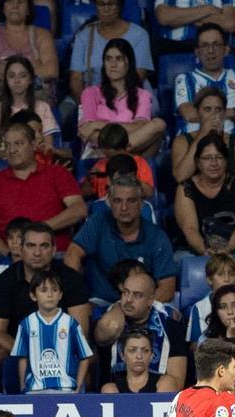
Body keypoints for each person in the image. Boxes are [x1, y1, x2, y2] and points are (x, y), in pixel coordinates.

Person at [0, 220, 89, 379]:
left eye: (44, 246)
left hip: (63, 349)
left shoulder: (71, 279)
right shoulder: (4, 282)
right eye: (30, 246)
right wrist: (30, 352)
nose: (37, 253)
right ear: (20, 249)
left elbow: (80, 331)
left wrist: (54, 354)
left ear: (54, 249)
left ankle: (83, 401)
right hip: (18, 350)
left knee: (86, 357)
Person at [0, 122, 86, 256]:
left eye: (18, 144)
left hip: (52, 254)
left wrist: (37, 231)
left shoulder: (57, 173)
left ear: (34, 145)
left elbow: (79, 210)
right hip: (9, 254)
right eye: (7, 145)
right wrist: (11, 255)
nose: (12, 150)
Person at [65, 175, 177, 303]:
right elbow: (72, 255)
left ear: (141, 204)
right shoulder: (98, 222)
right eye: (117, 201)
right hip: (99, 302)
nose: (124, 208)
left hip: (140, 307)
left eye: (131, 201)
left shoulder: (157, 237)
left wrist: (130, 306)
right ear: (109, 203)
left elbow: (167, 288)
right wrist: (77, 298)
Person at [92, 265, 187, 381]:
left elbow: (177, 380)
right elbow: (104, 334)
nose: (129, 300)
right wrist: (117, 308)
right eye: (126, 293)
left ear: (150, 300)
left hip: (155, 394)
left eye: (137, 295)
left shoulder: (170, 326)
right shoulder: (106, 316)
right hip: (114, 394)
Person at [10, 268, 94, 393]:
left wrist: (78, 387)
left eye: (54, 290)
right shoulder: (26, 324)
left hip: (66, 390)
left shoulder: (71, 323)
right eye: (44, 290)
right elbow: (23, 358)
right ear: (33, 295)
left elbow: (85, 356)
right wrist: (23, 387)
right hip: (35, 390)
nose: (50, 295)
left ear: (60, 295)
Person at [77, 39, 165, 157]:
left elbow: (140, 127)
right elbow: (86, 132)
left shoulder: (142, 95)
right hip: (99, 151)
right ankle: (120, 154)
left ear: (129, 63)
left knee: (159, 124)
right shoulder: (90, 93)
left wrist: (98, 124)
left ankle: (119, 155)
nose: (113, 65)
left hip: (131, 147)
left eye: (119, 59)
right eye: (108, 59)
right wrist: (126, 130)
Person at [174, 134, 235, 256]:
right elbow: (190, 229)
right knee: (182, 258)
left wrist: (228, 249)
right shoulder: (185, 188)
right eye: (207, 158)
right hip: (196, 249)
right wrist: (205, 252)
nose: (214, 163)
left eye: (219, 157)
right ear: (197, 162)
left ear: (226, 161)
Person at [67, 0, 153, 105]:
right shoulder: (83, 37)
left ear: (120, 6)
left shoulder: (140, 35)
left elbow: (138, 75)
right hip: (93, 99)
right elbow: (76, 79)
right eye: (101, 4)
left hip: (130, 98)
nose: (106, 9)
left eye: (111, 4)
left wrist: (116, 105)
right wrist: (88, 105)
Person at [0, 56, 59, 160]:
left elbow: (48, 146)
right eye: (11, 76)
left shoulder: (43, 107)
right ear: (6, 79)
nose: (17, 80)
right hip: (8, 164)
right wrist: (18, 153)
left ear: (31, 79)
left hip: (37, 162)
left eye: (23, 76)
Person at [171, 87, 235, 184]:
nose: (213, 115)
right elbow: (181, 177)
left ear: (224, 113)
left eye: (218, 110)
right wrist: (202, 135)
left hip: (229, 196)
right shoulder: (182, 141)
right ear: (197, 112)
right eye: (207, 109)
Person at [0, 0, 58, 93]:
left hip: (36, 93)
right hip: (1, 94)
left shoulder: (42, 35)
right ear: (3, 9)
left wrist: (5, 69)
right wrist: (32, 66)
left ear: (28, 9)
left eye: (21, 2)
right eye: (10, 2)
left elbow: (51, 71)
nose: (15, 6)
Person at [100, 328, 181, 393]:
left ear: (151, 356)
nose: (139, 356)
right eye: (132, 350)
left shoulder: (165, 384)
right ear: (123, 356)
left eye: (145, 350)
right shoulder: (111, 389)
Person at [81, 130, 157, 200]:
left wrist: (128, 178)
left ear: (127, 148)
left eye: (116, 156)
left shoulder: (140, 163)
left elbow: (149, 193)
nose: (112, 160)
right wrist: (88, 179)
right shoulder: (100, 166)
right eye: (108, 156)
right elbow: (83, 195)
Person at [186, 252, 235, 347]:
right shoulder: (199, 308)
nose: (227, 279)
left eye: (231, 274)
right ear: (209, 280)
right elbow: (194, 346)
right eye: (221, 274)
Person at [154, 0, 235, 52]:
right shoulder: (209, 9)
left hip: (215, 48)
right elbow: (164, 17)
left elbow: (230, 24)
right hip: (175, 47)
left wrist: (182, 18)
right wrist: (209, 9)